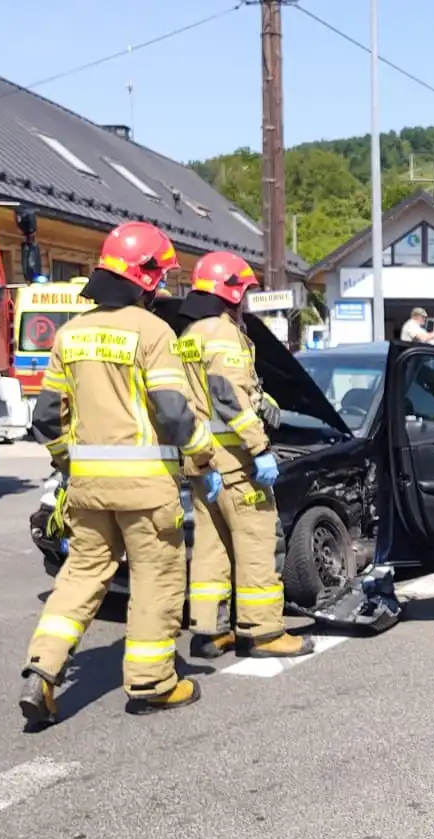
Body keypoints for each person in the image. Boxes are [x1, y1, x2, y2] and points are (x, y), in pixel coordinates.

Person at [20, 221, 218, 725]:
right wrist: (202, 456)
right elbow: (173, 413)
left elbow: (46, 419)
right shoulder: (153, 332)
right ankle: (153, 682)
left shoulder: (70, 333)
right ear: (146, 277)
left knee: (82, 575)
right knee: (156, 577)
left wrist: (69, 463)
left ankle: (43, 668)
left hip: (87, 489)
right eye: (161, 276)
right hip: (146, 490)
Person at [176, 251, 313, 660]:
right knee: (257, 544)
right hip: (237, 463)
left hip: (203, 463)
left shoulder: (189, 336)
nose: (247, 301)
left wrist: (261, 399)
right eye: (246, 293)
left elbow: (198, 397)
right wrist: (260, 447)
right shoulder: (223, 333)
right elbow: (227, 396)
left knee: (211, 548)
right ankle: (264, 632)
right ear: (232, 292)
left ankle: (210, 631)